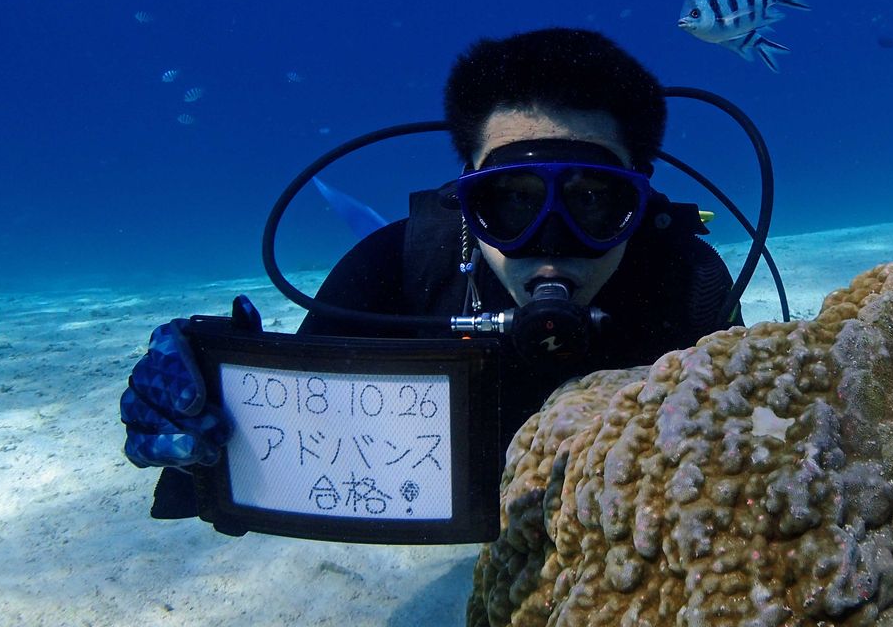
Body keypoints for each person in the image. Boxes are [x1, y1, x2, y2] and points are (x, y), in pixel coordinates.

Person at [120, 28, 743, 512]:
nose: (550, 246)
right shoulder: (390, 270)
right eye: (512, 201)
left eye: (592, 199)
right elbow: (278, 442)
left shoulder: (690, 286)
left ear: (640, 197)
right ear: (465, 197)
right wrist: (202, 420)